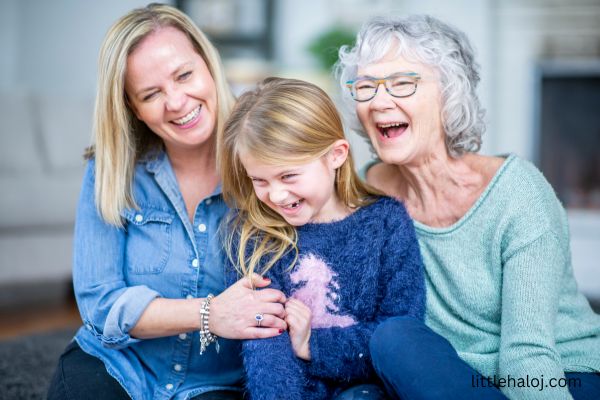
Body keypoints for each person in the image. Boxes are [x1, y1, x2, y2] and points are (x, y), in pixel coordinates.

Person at [335, 14, 600, 400]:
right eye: (366, 86)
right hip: (449, 376)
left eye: (402, 83)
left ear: (449, 94)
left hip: (556, 375)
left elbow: (527, 353)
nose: (378, 101)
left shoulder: (516, 194)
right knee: (389, 344)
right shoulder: (363, 196)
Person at [47, 4, 289, 400]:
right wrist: (211, 313)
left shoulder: (264, 163)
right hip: (117, 365)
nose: (176, 102)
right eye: (151, 93)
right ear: (133, 108)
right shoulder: (111, 171)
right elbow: (100, 305)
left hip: (216, 383)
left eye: (184, 75)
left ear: (208, 65)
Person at [218, 77, 425, 400]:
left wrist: (313, 345)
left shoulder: (386, 223)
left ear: (336, 155)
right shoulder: (253, 235)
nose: (275, 194)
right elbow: (265, 344)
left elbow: (400, 336)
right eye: (259, 180)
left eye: (288, 175)